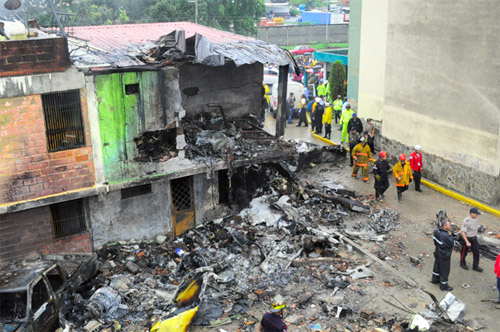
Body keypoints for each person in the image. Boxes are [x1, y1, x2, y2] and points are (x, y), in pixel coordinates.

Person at [431, 218, 455, 291]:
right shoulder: (446, 236)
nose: (450, 226)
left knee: (437, 266)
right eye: (449, 225)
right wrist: (451, 236)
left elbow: (435, 242)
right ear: (445, 226)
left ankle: (435, 279)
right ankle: (443, 285)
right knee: (445, 270)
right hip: (445, 255)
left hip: (438, 252)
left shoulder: (436, 232)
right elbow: (452, 244)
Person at [459, 207, 483, 272]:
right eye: (476, 214)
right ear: (472, 214)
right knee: (464, 252)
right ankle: (462, 263)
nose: (477, 215)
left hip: (474, 238)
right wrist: (467, 242)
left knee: (476, 252)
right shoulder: (466, 221)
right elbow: (463, 232)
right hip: (467, 238)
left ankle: (475, 266)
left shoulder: (475, 219)